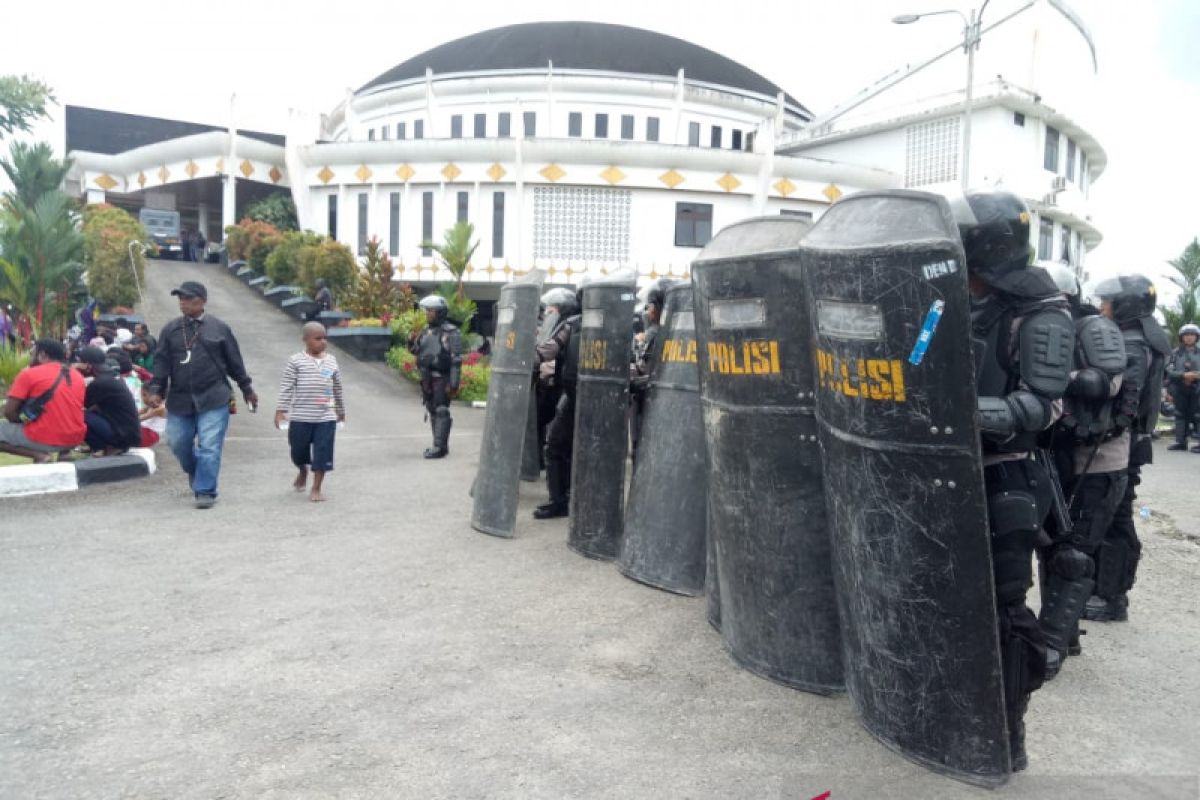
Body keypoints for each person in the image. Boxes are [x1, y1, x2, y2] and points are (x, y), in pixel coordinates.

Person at [956, 189, 1074, 770]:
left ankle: (1006, 735)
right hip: (947, 472)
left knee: (1003, 610)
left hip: (1007, 476)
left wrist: (971, 412)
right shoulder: (957, 302)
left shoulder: (1041, 311)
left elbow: (1046, 404)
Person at [1037, 264, 1129, 676]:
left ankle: (1051, 646)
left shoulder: (1095, 329)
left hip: (1097, 458)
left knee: (1074, 553)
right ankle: (1063, 635)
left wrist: (1058, 378)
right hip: (1058, 455)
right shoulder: (1050, 326)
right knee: (1053, 546)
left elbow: (1105, 384)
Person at [1083, 275, 1171, 622]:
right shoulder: (1145, 339)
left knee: (1114, 520)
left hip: (1124, 442)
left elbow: (1123, 398)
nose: (1103, 307)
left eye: (1108, 302)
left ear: (1126, 305)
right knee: (1115, 516)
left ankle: (1110, 597)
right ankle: (1108, 592)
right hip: (1134, 441)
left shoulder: (1132, 344)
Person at [145, 280, 258, 509]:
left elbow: (235, 362)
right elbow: (161, 362)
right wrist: (157, 390)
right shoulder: (171, 329)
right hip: (180, 399)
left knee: (210, 445)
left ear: (202, 301)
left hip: (214, 397)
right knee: (177, 442)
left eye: (188, 299)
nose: (183, 303)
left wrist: (247, 389)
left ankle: (205, 490)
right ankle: (196, 471)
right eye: (180, 299)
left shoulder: (219, 328)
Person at [275, 322, 345, 502]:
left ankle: (316, 487)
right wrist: (281, 410)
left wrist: (340, 410)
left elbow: (337, 388)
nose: (323, 342)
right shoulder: (296, 361)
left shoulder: (331, 361)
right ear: (305, 340)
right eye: (318, 338)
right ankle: (302, 470)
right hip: (301, 416)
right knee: (298, 451)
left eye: (325, 338)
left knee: (323, 453)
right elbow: (287, 387)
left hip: (326, 417)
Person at [532, 286, 582, 519]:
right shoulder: (586, 322)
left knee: (554, 448)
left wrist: (524, 359)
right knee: (570, 448)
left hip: (570, 394)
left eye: (553, 307)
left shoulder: (570, 325)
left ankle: (559, 501)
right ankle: (569, 497)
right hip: (582, 393)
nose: (549, 311)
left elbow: (550, 350)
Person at [0, 339, 86, 462]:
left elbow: (9, 413)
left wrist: (22, 420)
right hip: (75, 439)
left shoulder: (29, 374)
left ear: (42, 355)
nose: (30, 357)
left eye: (32, 353)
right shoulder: (77, 375)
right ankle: (63, 455)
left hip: (45, 438)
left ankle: (39, 455)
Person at [408, 295, 461, 459]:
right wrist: (410, 342)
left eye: (431, 311)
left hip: (441, 377)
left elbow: (456, 359)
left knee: (441, 410)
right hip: (427, 377)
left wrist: (453, 383)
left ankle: (439, 447)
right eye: (427, 310)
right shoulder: (425, 331)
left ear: (440, 312)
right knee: (432, 410)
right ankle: (438, 445)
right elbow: (416, 351)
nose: (428, 313)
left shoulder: (451, 332)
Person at [77, 347, 142, 456]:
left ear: (87, 365)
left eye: (79, 363)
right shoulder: (110, 377)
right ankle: (107, 446)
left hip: (122, 436)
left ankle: (102, 447)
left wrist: (72, 371)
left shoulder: (100, 383)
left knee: (77, 415)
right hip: (130, 434)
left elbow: (78, 404)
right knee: (88, 413)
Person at [629, 281, 665, 462]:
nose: (648, 311)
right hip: (646, 395)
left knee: (641, 446)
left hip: (648, 396)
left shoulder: (658, 334)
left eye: (650, 307)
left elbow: (648, 368)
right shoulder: (658, 332)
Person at [1165, 323, 1200, 451]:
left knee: (1198, 415)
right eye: (1186, 335)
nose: (1189, 337)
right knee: (1179, 414)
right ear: (1181, 337)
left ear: (1197, 337)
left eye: (1192, 335)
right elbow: (1168, 369)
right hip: (1180, 388)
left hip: (1198, 389)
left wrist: (1195, 375)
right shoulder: (1174, 353)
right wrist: (1184, 375)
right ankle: (1180, 442)